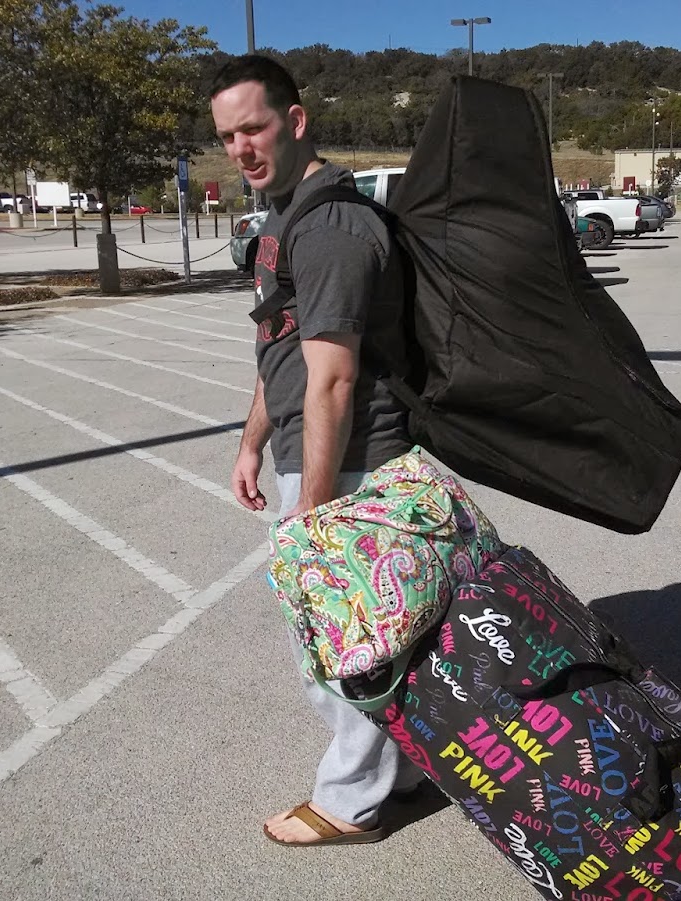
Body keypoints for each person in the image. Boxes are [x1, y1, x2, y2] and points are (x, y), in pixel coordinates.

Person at [209, 54, 424, 847]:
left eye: (254, 128)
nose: (241, 148)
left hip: (351, 461)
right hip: (314, 455)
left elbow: (332, 377)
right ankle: (404, 770)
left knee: (343, 643)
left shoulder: (330, 226)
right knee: (350, 636)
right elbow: (283, 352)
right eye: (227, 136)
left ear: (295, 120)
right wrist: (252, 444)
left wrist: (315, 506)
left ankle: (350, 803)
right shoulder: (285, 217)